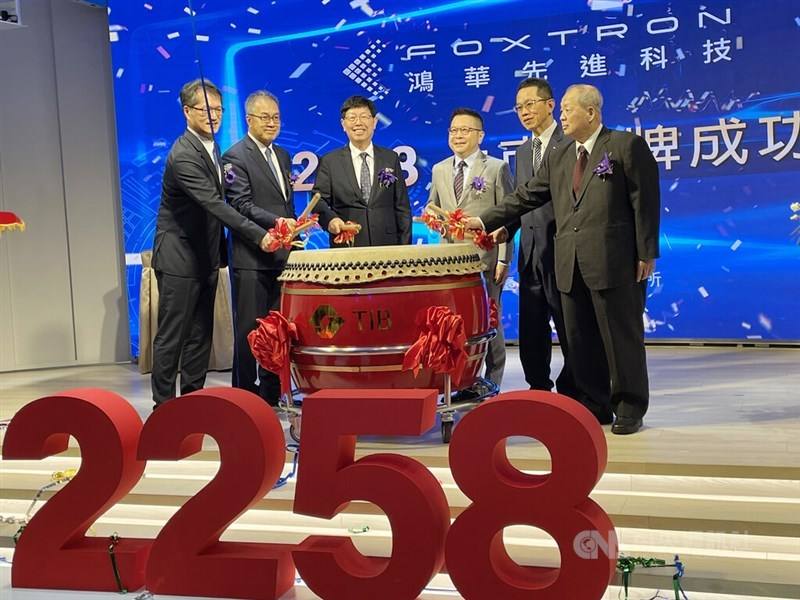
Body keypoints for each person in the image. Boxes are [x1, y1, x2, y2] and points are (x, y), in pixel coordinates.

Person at [467, 84, 660, 435]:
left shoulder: (623, 146)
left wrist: (646, 251)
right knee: (580, 339)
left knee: (620, 337)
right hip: (569, 262)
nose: (564, 116)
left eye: (569, 109)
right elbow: (528, 195)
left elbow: (643, 202)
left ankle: (630, 405)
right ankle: (595, 404)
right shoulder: (561, 154)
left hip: (613, 260)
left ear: (592, 112)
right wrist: (485, 220)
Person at [150, 79, 271, 409]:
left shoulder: (213, 147)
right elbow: (214, 204)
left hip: (205, 257)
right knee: (172, 337)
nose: (213, 115)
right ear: (187, 112)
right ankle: (164, 408)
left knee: (200, 337)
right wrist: (260, 234)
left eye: (218, 109)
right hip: (179, 259)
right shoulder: (184, 155)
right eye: (205, 109)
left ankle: (192, 404)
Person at [427, 108, 514, 397]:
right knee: (456, 324)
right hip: (450, 264)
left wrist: (503, 257)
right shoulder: (439, 169)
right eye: (454, 130)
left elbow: (507, 217)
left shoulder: (496, 168)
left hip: (485, 260)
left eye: (465, 130)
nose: (458, 135)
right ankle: (462, 380)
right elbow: (432, 206)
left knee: (490, 320)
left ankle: (493, 380)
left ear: (480, 135)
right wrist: (436, 221)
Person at [505, 78, 580, 399]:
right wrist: (501, 230)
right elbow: (521, 201)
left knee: (570, 327)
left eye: (530, 104)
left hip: (563, 251)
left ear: (551, 105)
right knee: (532, 328)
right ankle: (538, 387)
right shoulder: (522, 152)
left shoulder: (570, 144)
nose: (524, 112)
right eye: (519, 107)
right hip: (530, 254)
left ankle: (576, 388)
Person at [222, 90, 297, 406]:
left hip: (282, 256)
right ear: (249, 119)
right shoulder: (235, 157)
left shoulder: (281, 155)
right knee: (249, 329)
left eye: (276, 117)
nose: (272, 123)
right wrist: (278, 221)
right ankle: (243, 393)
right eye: (265, 117)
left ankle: (271, 389)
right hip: (251, 256)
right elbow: (239, 204)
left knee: (275, 328)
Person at [313, 95, 411, 247]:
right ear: (343, 124)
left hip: (388, 247)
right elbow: (318, 201)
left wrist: (405, 249)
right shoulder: (330, 161)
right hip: (347, 246)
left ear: (374, 122)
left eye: (364, 117)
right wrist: (331, 220)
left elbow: (402, 208)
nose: (358, 123)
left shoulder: (390, 159)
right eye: (352, 118)